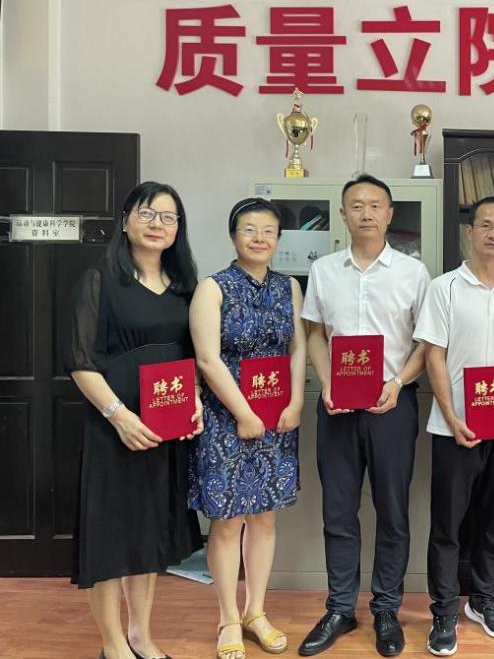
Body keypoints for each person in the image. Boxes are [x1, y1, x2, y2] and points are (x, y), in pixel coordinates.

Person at [66, 181, 203, 659]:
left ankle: (141, 636)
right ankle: (113, 645)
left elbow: (191, 357)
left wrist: (196, 401)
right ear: (125, 221)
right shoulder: (101, 280)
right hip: (115, 431)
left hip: (165, 431)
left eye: (168, 217)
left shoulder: (183, 286)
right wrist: (119, 416)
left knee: (147, 537)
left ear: (178, 229)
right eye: (147, 214)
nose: (157, 224)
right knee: (110, 540)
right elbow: (81, 361)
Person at [298, 174, 430, 658]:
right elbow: (315, 333)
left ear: (390, 215)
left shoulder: (413, 272)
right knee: (338, 510)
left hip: (392, 405)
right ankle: (339, 608)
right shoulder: (324, 270)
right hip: (337, 405)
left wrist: (398, 383)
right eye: (357, 205)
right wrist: (326, 381)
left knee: (392, 510)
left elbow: (426, 342)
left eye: (376, 205)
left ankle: (387, 609)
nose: (367, 213)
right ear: (343, 214)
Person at [188, 198, 306, 659]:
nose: (259, 238)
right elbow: (207, 359)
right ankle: (228, 619)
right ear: (233, 235)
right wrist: (242, 413)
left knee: (265, 517)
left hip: (277, 418)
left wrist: (296, 401)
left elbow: (297, 348)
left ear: (278, 238)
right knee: (227, 521)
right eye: (249, 229)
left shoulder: (288, 286)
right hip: (226, 420)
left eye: (268, 231)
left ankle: (256, 611)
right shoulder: (212, 288)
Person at [414, 196, 494, 656]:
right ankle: (443, 610)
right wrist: (451, 414)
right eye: (486, 225)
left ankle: (483, 599)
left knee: (493, 519)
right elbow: (433, 356)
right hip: (452, 427)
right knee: (448, 524)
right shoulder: (444, 288)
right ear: (469, 231)